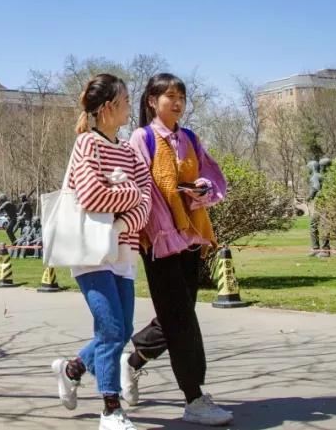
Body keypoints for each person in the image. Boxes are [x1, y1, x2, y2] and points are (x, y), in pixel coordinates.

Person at [120, 73, 233, 426]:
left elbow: (214, 178)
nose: (178, 102)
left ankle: (132, 360)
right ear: (152, 101)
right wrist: (162, 230)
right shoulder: (142, 138)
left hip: (191, 238)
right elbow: (143, 190)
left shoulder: (190, 138)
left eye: (181, 95)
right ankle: (194, 397)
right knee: (182, 319)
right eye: (170, 96)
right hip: (161, 240)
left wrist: (202, 188)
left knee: (176, 315)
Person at [51, 74, 152, 430]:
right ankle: (110, 409)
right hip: (90, 252)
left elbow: (147, 199)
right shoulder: (87, 146)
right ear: (109, 107)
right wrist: (129, 194)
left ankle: (72, 369)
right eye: (125, 100)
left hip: (122, 252)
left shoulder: (128, 151)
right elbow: (93, 195)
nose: (130, 106)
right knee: (110, 330)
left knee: (121, 330)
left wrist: (123, 216)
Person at [307, 158, 332, 257]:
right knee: (315, 225)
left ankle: (324, 250)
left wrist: (309, 197)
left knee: (321, 226)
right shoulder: (324, 176)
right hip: (324, 203)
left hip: (322, 204)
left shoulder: (315, 176)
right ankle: (316, 249)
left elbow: (316, 187)